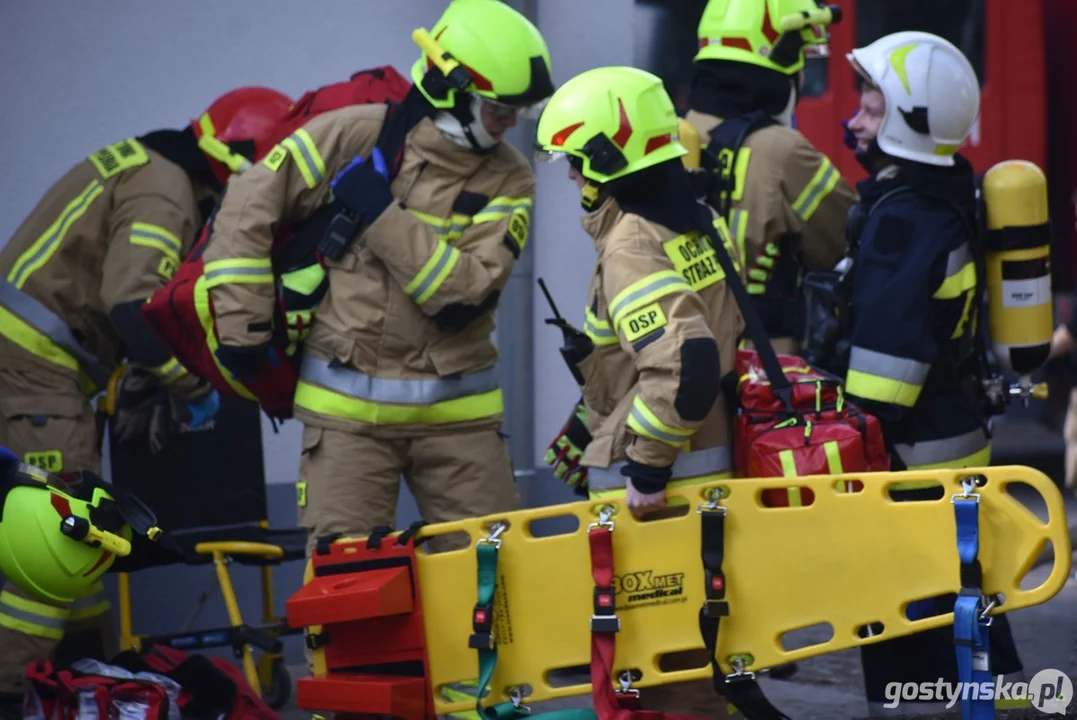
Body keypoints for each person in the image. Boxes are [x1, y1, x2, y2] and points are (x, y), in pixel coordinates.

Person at [199, 0, 553, 560]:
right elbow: (246, 207)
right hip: (345, 422)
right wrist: (244, 327)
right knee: (349, 593)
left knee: (499, 583)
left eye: (517, 111)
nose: (511, 123)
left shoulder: (511, 178)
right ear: (450, 88)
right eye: (498, 109)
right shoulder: (352, 135)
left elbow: (461, 295)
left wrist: (379, 214)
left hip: (458, 425)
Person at [0, 85, 293, 717]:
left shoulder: (147, 165)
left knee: (81, 549)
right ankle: (10, 693)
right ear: (235, 163)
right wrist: (188, 384)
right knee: (55, 553)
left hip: (38, 379)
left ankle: (85, 684)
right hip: (30, 381)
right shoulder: (166, 190)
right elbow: (132, 305)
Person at [534, 65, 744, 720]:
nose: (570, 177)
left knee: (665, 675)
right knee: (709, 655)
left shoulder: (630, 243)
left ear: (603, 160)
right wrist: (588, 427)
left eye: (574, 162)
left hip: (660, 498)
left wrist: (644, 467)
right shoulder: (696, 217)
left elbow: (684, 363)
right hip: (711, 475)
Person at [837, 30, 1029, 716]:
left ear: (902, 121)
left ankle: (922, 707)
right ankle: (998, 698)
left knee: (906, 607)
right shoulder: (938, 195)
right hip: (949, 427)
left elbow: (887, 366)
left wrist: (851, 439)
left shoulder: (904, 220)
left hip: (909, 447)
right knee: (961, 584)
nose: (852, 123)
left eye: (866, 110)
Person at [683, 0, 856, 354]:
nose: (804, 76)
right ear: (782, 60)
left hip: (687, 360)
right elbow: (849, 244)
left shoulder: (674, 136)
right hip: (764, 375)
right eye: (802, 58)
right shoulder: (783, 151)